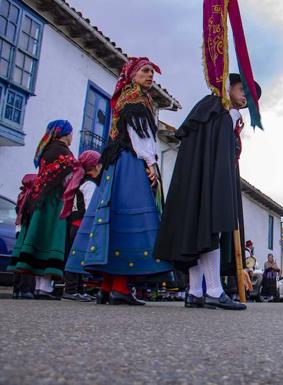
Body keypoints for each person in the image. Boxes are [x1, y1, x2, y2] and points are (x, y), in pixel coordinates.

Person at [66, 57, 172, 306]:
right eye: (145, 71)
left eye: (151, 72)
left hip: (115, 166)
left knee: (112, 221)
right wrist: (150, 164)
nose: (150, 76)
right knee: (129, 218)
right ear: (133, 75)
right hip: (130, 165)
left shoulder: (124, 97)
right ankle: (120, 288)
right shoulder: (137, 99)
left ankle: (107, 286)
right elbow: (141, 137)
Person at [154, 73, 262, 311]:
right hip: (208, 179)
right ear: (229, 86)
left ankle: (195, 291)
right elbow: (215, 152)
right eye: (243, 90)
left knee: (200, 227)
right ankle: (212, 290)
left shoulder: (224, 115)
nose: (246, 97)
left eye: (251, 97)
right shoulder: (216, 110)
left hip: (207, 178)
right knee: (208, 224)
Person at [9, 120, 81, 300]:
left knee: (39, 239)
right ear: (66, 134)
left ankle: (40, 287)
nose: (72, 137)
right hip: (53, 202)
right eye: (71, 133)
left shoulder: (45, 152)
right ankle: (44, 287)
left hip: (37, 201)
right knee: (50, 240)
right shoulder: (64, 154)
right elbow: (69, 179)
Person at [61, 150, 101, 301]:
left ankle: (77, 289)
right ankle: (71, 289)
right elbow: (91, 206)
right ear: (96, 166)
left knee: (77, 257)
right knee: (78, 258)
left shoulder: (79, 181)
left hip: (75, 224)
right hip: (82, 225)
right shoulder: (89, 183)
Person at [11, 174, 37, 300]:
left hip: (19, 229)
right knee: (27, 260)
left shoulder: (22, 195)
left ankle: (17, 289)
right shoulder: (31, 196)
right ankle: (26, 289)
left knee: (19, 259)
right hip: (27, 230)